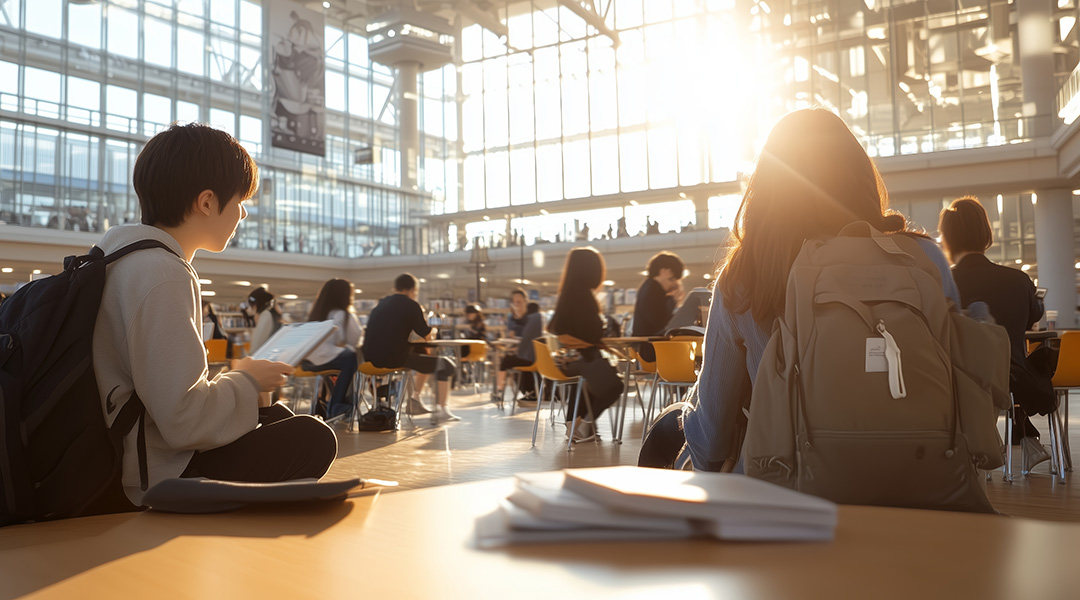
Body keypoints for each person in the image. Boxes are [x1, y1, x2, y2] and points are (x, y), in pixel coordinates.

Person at [645, 108, 961, 471]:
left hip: (785, 486)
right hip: (920, 475)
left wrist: (688, 413)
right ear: (861, 176)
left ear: (767, 188)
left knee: (665, 433)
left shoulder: (747, 275)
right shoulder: (923, 259)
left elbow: (712, 437)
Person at [93, 122, 336, 507]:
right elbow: (183, 420)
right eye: (240, 200)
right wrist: (247, 380)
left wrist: (244, 384)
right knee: (314, 438)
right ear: (207, 202)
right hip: (152, 478)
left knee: (276, 417)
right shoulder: (163, 274)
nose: (243, 214)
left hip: (122, 456)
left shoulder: (118, 259)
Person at [939, 196, 1052, 471]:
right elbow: (1034, 318)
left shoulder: (942, 282)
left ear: (947, 239)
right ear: (986, 234)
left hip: (958, 381)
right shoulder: (1018, 280)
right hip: (1014, 379)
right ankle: (1025, 436)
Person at [548, 247, 625, 442]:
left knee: (591, 381)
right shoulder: (583, 297)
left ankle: (573, 425)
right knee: (615, 386)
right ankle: (584, 425)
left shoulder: (568, 294)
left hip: (568, 359)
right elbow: (592, 332)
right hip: (582, 358)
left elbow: (558, 328)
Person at [361, 273, 459, 423]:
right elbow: (427, 335)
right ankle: (442, 410)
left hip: (369, 359)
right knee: (447, 365)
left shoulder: (380, 304)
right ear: (413, 290)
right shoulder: (411, 305)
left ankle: (415, 400)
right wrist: (434, 329)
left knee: (425, 357)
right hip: (394, 358)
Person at [301, 278, 363, 420]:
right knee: (352, 358)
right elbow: (354, 339)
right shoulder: (342, 314)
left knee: (342, 363)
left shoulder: (316, 314)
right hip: (327, 359)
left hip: (308, 362)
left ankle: (327, 403)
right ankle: (337, 405)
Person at [632, 251, 686, 362]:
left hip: (647, 347)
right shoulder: (653, 290)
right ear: (664, 271)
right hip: (652, 349)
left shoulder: (649, 287)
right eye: (671, 279)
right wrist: (672, 301)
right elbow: (659, 322)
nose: (672, 284)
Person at [492, 289, 537, 404]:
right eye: (514, 302)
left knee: (506, 361)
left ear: (525, 301)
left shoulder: (531, 317)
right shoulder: (512, 318)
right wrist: (510, 338)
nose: (517, 305)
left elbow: (532, 339)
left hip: (530, 353)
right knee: (507, 359)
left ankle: (499, 390)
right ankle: (526, 392)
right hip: (519, 351)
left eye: (519, 302)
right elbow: (511, 336)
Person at [247, 286, 282, 353]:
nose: (250, 309)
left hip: (261, 356)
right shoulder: (271, 314)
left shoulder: (266, 315)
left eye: (251, 306)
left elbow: (257, 344)